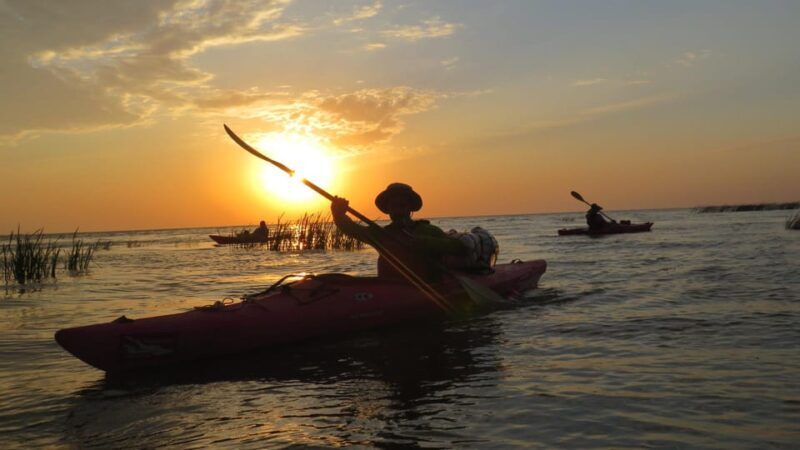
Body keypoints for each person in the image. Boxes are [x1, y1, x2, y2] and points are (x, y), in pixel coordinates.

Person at [331, 183, 467, 282]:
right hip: (392, 288)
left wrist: (426, 243)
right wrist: (338, 213)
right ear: (388, 209)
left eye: (402, 204)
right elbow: (353, 229)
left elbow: (458, 247)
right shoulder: (380, 234)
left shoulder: (427, 230)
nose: (398, 208)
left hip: (428, 288)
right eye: (393, 205)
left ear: (410, 208)